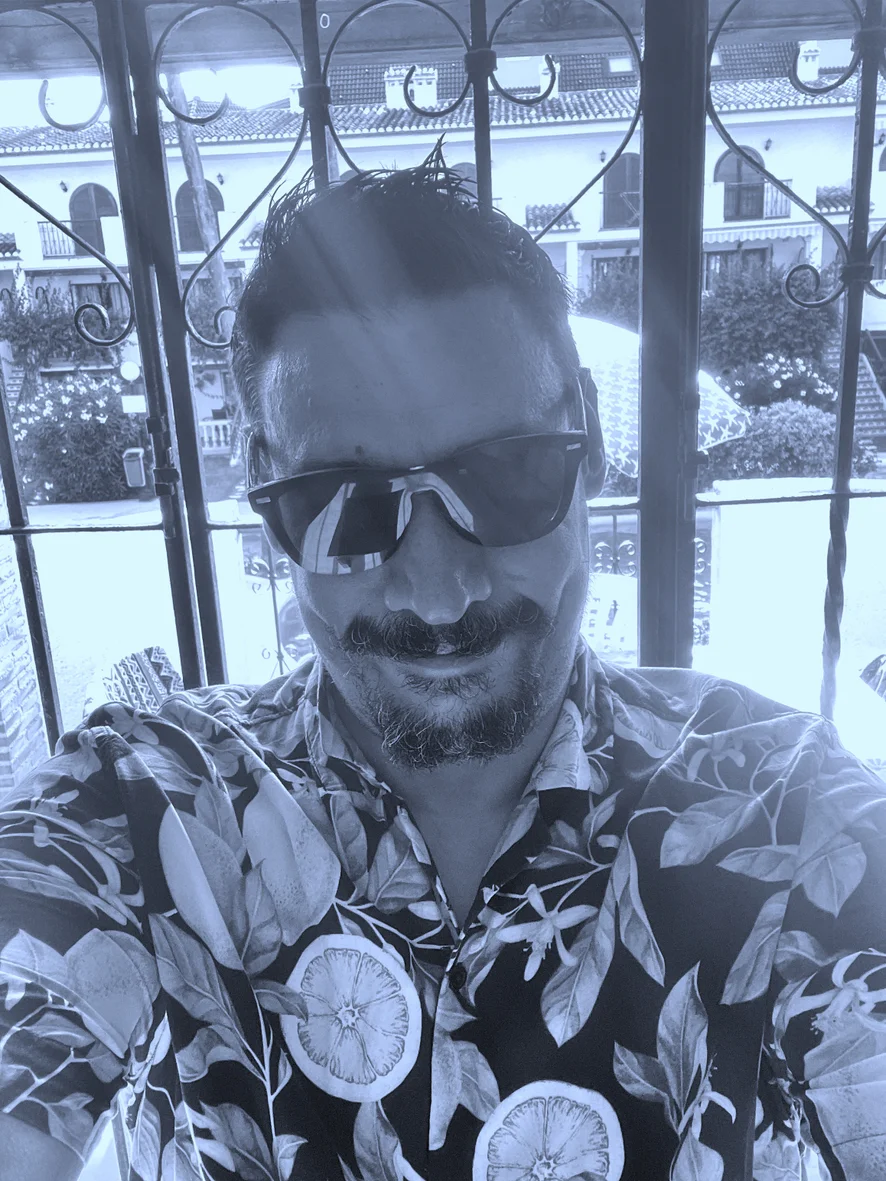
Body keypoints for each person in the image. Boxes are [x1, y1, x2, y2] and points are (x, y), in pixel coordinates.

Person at [1, 149, 885, 1181]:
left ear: (592, 441)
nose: (438, 593)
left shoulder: (782, 802)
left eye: (506, 476)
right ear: (264, 486)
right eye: (344, 504)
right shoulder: (136, 808)